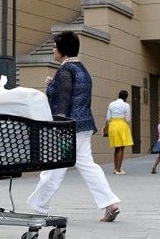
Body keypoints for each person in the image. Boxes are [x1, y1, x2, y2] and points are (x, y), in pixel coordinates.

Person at [27, 31, 122, 222]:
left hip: (68, 128)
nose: (53, 49)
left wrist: (57, 123)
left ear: (62, 50)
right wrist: (53, 85)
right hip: (84, 125)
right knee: (87, 166)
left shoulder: (65, 70)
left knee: (54, 166)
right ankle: (110, 203)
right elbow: (75, 93)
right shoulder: (81, 69)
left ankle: (39, 205)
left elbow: (63, 100)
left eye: (55, 46)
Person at [105, 90, 133, 174]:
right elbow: (128, 119)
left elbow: (108, 118)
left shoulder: (111, 104)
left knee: (116, 148)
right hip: (121, 125)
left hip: (112, 125)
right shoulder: (126, 105)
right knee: (121, 148)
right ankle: (118, 169)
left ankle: (115, 168)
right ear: (126, 97)